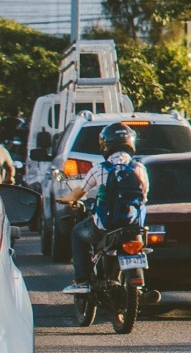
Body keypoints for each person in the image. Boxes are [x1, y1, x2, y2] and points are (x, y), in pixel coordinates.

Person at [61, 123, 150, 296]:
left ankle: (82, 281)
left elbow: (78, 193)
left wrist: (66, 199)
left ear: (105, 144)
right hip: (133, 227)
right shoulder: (140, 168)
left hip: (105, 227)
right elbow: (144, 197)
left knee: (78, 233)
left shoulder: (100, 168)